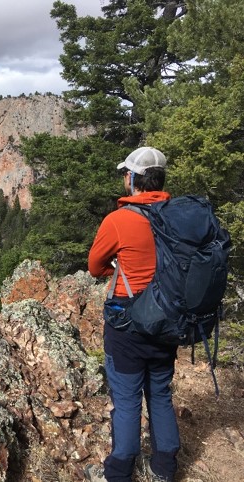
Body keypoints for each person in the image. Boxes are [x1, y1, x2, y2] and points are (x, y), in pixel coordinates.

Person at [85, 147, 179, 482]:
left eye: (127, 173)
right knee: (160, 393)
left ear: (133, 179)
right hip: (168, 320)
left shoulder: (119, 220)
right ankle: (165, 469)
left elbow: (95, 267)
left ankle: (120, 473)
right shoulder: (177, 216)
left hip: (128, 323)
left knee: (126, 402)